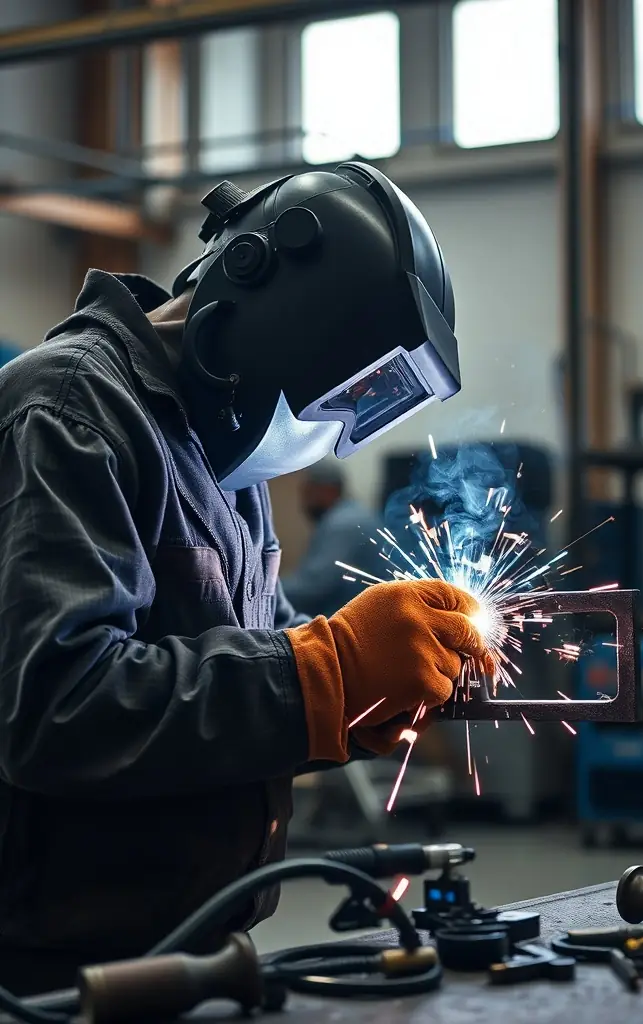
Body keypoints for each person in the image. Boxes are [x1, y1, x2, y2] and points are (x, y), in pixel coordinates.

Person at [0, 162, 491, 993]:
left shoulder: (219, 454)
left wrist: (361, 696)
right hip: (54, 966)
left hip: (193, 942)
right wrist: (323, 673)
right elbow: (56, 705)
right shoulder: (69, 410)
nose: (323, 433)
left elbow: (256, 665)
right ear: (267, 305)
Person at [282, 461, 384, 619]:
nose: (304, 502)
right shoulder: (354, 514)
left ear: (327, 490)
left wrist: (265, 589)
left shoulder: (342, 524)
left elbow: (313, 587)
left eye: (308, 493)